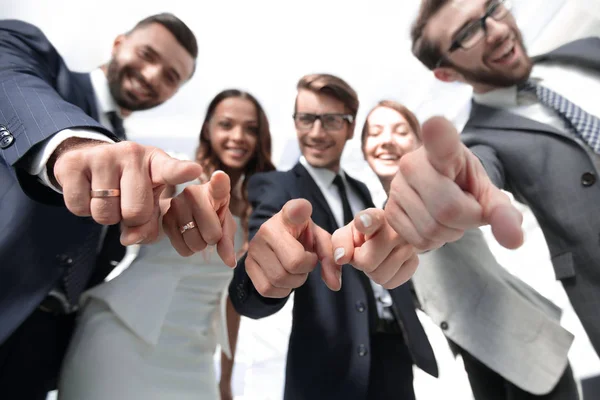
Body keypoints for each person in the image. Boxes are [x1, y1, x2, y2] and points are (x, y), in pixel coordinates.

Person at [0, 14, 227, 400]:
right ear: (119, 42)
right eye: (146, 54)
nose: (153, 75)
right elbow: (9, 79)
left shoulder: (137, 160)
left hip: (45, 350)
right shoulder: (35, 60)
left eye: (171, 76)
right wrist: (73, 145)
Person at [383, 0, 600, 356]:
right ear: (447, 74)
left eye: (493, 8)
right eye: (468, 33)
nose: (497, 30)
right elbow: (470, 170)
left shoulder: (584, 49)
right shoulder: (479, 141)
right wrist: (432, 187)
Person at [57, 89, 276, 400]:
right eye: (226, 124)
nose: (238, 136)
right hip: (123, 336)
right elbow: (154, 197)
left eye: (250, 128)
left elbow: (233, 303)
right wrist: (160, 206)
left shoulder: (256, 210)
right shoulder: (180, 175)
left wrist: (225, 381)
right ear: (208, 129)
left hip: (194, 352)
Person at [228, 74, 436, 400]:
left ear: (351, 127)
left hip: (394, 359)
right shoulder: (276, 186)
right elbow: (257, 267)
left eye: (331, 120)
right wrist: (257, 276)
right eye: (306, 119)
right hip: (326, 371)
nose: (316, 132)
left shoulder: (361, 189)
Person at [354, 99, 578, 399]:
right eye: (376, 132)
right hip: (477, 355)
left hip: (523, 347)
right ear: (364, 148)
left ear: (419, 144)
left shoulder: (439, 185)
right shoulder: (382, 219)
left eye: (399, 131)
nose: (386, 141)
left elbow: (458, 181)